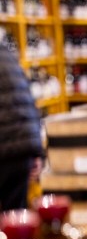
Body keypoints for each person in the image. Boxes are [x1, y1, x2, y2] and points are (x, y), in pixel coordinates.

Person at [0, 45, 44, 211]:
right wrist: (36, 152)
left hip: (4, 147)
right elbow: (28, 101)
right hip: (22, 148)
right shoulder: (5, 53)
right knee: (16, 216)